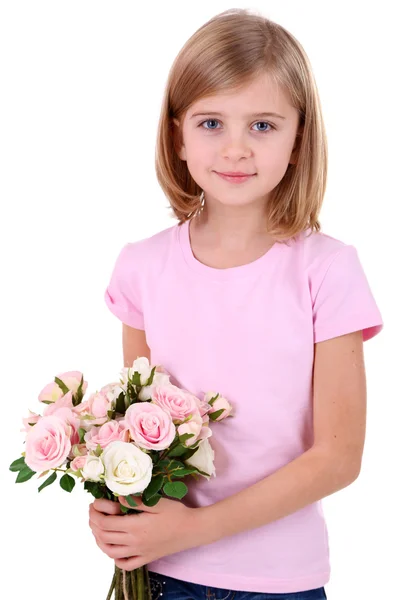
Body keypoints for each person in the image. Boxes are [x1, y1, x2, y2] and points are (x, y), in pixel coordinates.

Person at [89, 8, 383, 600]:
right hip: (164, 575)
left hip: (279, 582)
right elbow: (140, 433)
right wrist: (116, 507)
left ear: (300, 139)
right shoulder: (142, 267)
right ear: (177, 135)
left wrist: (196, 529)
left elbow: (339, 456)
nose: (236, 149)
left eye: (264, 126)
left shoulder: (325, 270)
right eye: (211, 122)